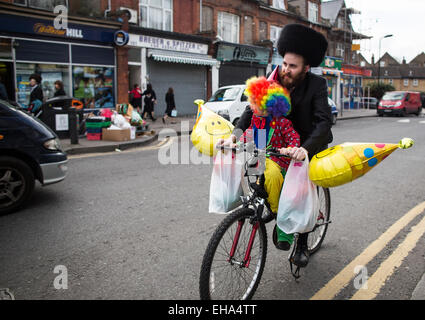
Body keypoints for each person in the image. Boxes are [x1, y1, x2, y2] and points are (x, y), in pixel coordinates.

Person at [218, 24, 333, 269]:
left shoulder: (317, 85)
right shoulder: (273, 80)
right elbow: (251, 110)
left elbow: (324, 122)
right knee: (257, 167)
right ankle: (273, 205)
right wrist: (235, 136)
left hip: (304, 143)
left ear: (306, 67)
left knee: (301, 186)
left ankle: (301, 240)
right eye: (284, 63)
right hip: (271, 140)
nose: (286, 70)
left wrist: (305, 149)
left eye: (292, 66)